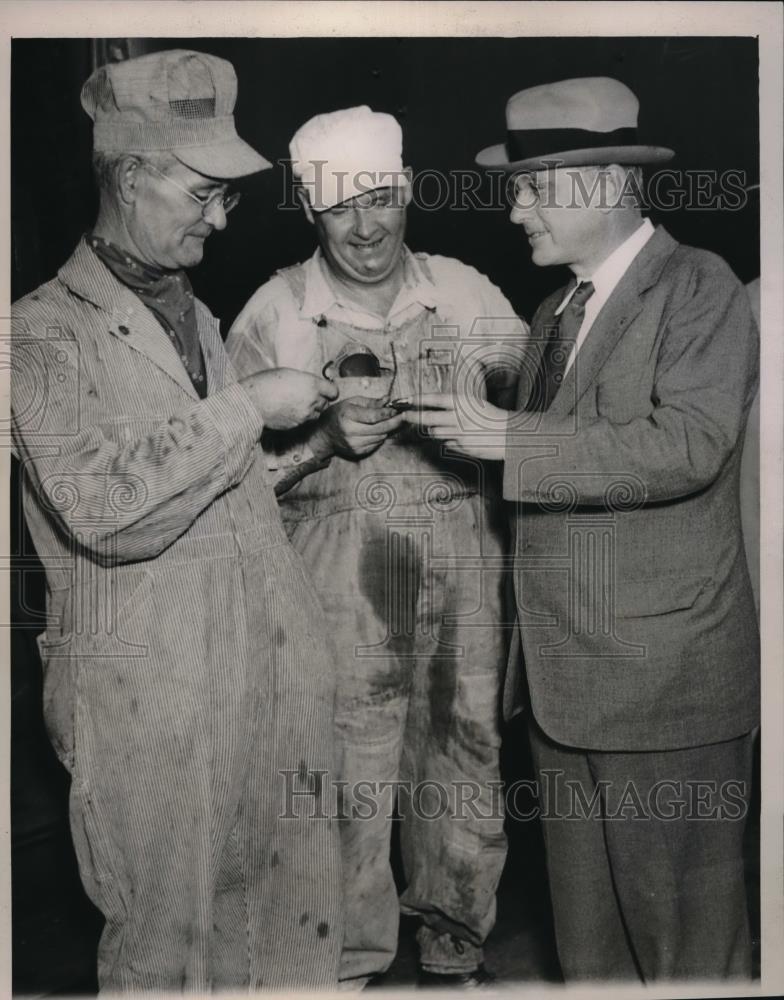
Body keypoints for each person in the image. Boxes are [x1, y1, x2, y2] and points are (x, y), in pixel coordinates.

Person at [403, 77, 759, 981]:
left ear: (602, 183)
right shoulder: (553, 313)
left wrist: (508, 436)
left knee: (684, 952)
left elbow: (689, 443)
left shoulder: (699, 287)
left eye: (532, 185)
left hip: (660, 693)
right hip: (562, 690)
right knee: (591, 950)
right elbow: (558, 463)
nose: (515, 207)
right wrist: (464, 426)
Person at [11, 49, 342, 991]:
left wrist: (318, 446)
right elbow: (104, 508)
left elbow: (214, 501)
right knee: (167, 953)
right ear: (127, 176)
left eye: (230, 196)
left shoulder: (189, 314)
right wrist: (248, 408)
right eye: (203, 191)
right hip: (146, 705)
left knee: (272, 939)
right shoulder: (38, 333)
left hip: (255, 676)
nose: (221, 216)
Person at [227, 105, 526, 988]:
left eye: (380, 199)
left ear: (406, 191)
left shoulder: (466, 294)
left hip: (464, 587)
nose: (365, 227)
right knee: (345, 791)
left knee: (465, 772)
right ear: (312, 215)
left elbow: (552, 404)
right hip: (336, 592)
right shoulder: (275, 314)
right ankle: (345, 967)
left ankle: (454, 951)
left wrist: (488, 414)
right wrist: (319, 443)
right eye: (339, 208)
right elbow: (228, 481)